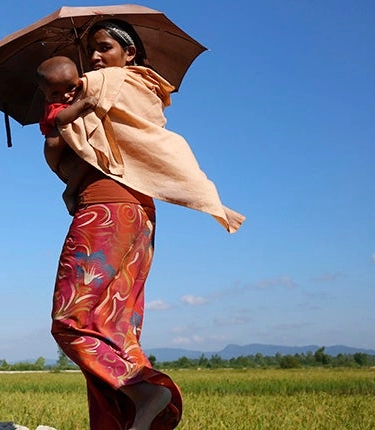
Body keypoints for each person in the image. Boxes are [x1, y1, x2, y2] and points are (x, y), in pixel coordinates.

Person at [44, 20, 245, 430]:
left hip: (106, 210)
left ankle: (145, 391)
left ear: (129, 52)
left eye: (105, 47)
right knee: (115, 327)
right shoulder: (142, 90)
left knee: (71, 320)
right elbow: (100, 153)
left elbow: (71, 155)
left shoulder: (105, 83)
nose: (96, 58)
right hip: (139, 212)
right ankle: (128, 422)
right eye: (93, 51)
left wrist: (63, 142)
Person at [37, 55, 98, 215]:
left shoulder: (77, 95)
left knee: (87, 159)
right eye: (55, 93)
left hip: (69, 149)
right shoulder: (54, 106)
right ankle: (69, 192)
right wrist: (83, 104)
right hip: (59, 154)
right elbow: (61, 118)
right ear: (46, 95)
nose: (64, 96)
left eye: (71, 87)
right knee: (86, 160)